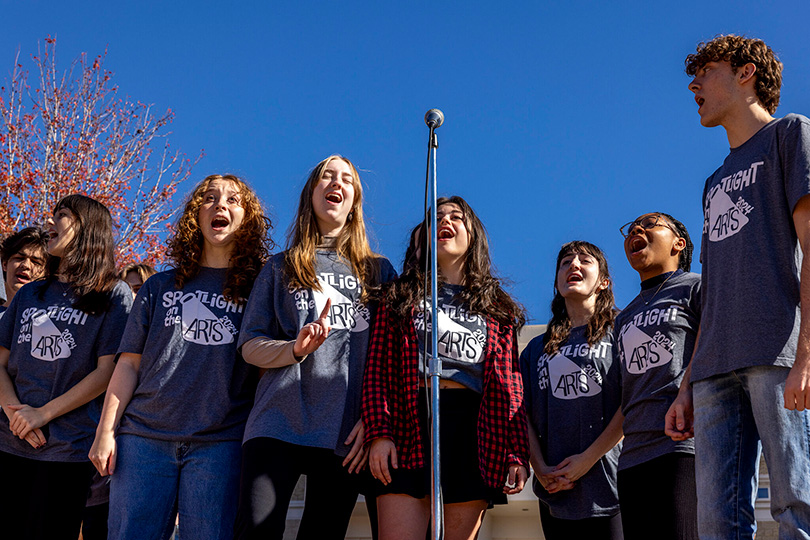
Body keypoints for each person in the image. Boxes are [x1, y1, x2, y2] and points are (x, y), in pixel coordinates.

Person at [666, 34, 810, 538]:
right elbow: (716, 287)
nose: (694, 83)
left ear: (746, 72)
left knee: (797, 503)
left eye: (706, 69)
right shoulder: (713, 181)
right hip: (711, 372)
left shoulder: (790, 134)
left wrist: (807, 357)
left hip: (776, 350)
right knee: (717, 523)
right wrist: (686, 385)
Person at [88, 174, 271, 540]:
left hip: (220, 445)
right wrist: (105, 431)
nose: (220, 204)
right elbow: (128, 364)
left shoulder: (260, 289)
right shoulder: (158, 286)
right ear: (194, 215)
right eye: (209, 198)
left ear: (247, 219)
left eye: (233, 200)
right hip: (142, 440)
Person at [233, 155, 396, 540]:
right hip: (277, 422)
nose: (335, 183)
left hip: (345, 433)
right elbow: (249, 345)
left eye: (346, 179)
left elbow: (392, 358)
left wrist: (375, 419)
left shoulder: (380, 272)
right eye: (326, 176)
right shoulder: (280, 266)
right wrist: (294, 348)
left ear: (354, 199)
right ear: (312, 193)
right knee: (255, 532)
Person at [362, 196, 529, 540]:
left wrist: (516, 452)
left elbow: (510, 385)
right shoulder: (399, 295)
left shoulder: (497, 308)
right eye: (436, 217)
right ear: (422, 237)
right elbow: (377, 368)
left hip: (475, 431)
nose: (446, 221)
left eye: (457, 217)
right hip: (410, 419)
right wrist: (380, 432)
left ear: (473, 235)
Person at [0, 194, 133, 540]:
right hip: (8, 440)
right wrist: (17, 415)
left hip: (66, 451)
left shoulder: (114, 293)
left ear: (88, 227)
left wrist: (42, 415)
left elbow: (106, 373)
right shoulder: (31, 294)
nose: (49, 223)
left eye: (61, 215)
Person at [520, 241, 623, 540]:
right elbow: (520, 412)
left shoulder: (621, 330)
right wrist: (539, 467)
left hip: (611, 486)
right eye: (565, 262)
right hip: (556, 493)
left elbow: (632, 403)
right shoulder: (535, 349)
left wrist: (587, 459)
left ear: (604, 282)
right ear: (557, 282)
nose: (574, 266)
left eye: (585, 261)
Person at [615, 213, 699, 539]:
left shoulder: (695, 287)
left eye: (651, 224)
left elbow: (711, 346)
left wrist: (686, 390)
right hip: (632, 456)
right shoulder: (624, 317)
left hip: (681, 446)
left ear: (678, 243)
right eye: (632, 227)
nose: (637, 229)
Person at [0, 227, 49, 313]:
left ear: (46, 273)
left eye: (36, 262)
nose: (25, 265)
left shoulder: (51, 319)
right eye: (19, 258)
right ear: (5, 264)